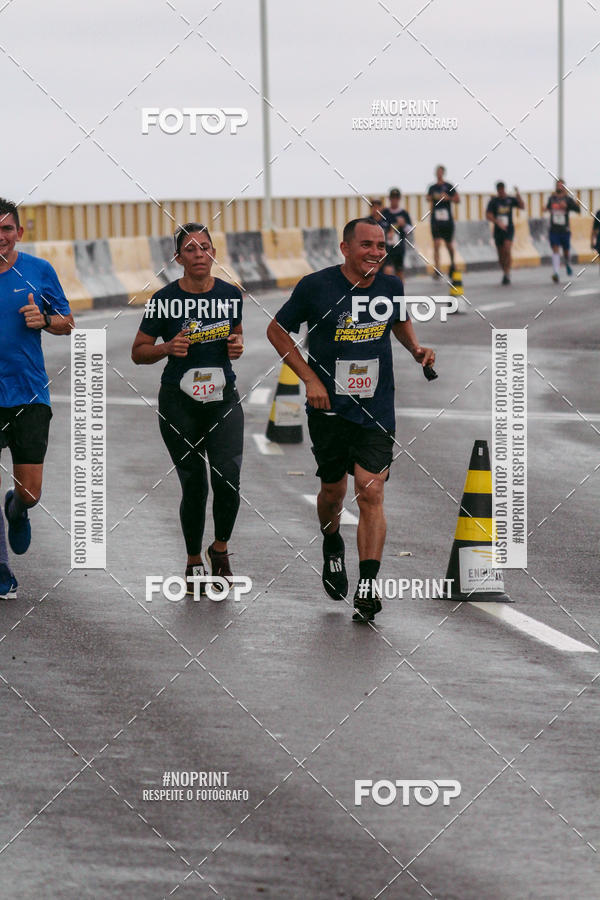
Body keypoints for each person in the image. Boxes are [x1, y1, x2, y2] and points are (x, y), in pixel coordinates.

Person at [266, 218, 435, 623]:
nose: (376, 252)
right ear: (345, 248)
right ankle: (330, 544)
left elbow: (397, 320)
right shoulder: (316, 286)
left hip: (376, 406)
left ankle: (369, 585)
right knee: (332, 492)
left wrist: (414, 349)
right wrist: (309, 379)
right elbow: (276, 330)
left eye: (381, 245)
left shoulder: (391, 285)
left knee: (370, 491)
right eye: (367, 245)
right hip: (329, 408)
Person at [131, 224, 244, 595]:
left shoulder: (230, 295)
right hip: (179, 402)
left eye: (206, 248)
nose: (199, 255)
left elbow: (235, 336)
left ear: (214, 254)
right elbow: (138, 352)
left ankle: (220, 549)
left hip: (222, 398)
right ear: (178, 258)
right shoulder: (164, 300)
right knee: (194, 483)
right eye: (191, 249)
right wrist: (166, 348)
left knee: (227, 476)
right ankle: (194, 559)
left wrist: (236, 348)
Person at [0, 197, 74, 600]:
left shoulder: (38, 272)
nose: (1, 238)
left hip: (28, 394)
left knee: (31, 492)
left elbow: (68, 322)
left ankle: (17, 506)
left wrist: (44, 320)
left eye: (6, 229)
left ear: (19, 233)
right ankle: (1, 569)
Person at [486, 182, 524, 284]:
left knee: (507, 249)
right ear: (497, 190)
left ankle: (507, 272)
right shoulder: (493, 201)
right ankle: (504, 271)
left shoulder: (510, 199)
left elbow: (522, 206)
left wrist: (518, 193)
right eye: (499, 190)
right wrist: (497, 222)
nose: (501, 192)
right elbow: (488, 215)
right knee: (500, 254)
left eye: (502, 189)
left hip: (508, 229)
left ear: (504, 189)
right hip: (498, 230)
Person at [426, 165, 460, 277]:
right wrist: (434, 197)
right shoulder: (432, 187)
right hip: (436, 220)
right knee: (436, 244)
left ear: (443, 173)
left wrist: (448, 198)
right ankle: (437, 268)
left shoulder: (449, 186)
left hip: (447, 220)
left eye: (441, 172)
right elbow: (427, 197)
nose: (439, 173)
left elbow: (457, 199)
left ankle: (452, 263)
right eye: (437, 172)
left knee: (448, 244)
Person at [546, 179, 580, 282]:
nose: (559, 187)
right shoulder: (552, 198)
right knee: (555, 249)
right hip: (554, 229)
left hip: (565, 229)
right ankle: (556, 272)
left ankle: (567, 263)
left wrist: (568, 205)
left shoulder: (568, 199)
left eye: (561, 185)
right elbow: (547, 208)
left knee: (566, 251)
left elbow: (577, 210)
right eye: (558, 185)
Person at [381, 187, 413, 281]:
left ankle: (399, 293)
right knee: (387, 270)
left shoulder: (404, 214)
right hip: (387, 248)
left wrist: (403, 225)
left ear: (399, 199)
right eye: (392, 197)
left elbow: (410, 230)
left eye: (396, 198)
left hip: (399, 247)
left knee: (399, 272)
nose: (394, 200)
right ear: (389, 199)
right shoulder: (385, 213)